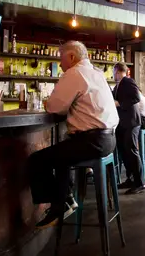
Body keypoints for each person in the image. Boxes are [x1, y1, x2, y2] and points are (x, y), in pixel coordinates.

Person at [29, 41, 119, 229]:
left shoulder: (74, 73)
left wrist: (48, 103)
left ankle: (59, 203)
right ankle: (66, 198)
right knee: (63, 151)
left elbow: (55, 107)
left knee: (36, 160)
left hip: (92, 141)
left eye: (61, 59)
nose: (60, 65)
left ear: (71, 57)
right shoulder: (97, 73)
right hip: (109, 140)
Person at [113, 63, 145, 194]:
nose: (113, 74)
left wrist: (119, 103)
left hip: (131, 122)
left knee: (131, 151)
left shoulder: (128, 81)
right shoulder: (118, 85)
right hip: (122, 123)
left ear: (118, 70)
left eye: (114, 71)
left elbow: (136, 97)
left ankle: (140, 183)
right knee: (124, 151)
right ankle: (130, 179)